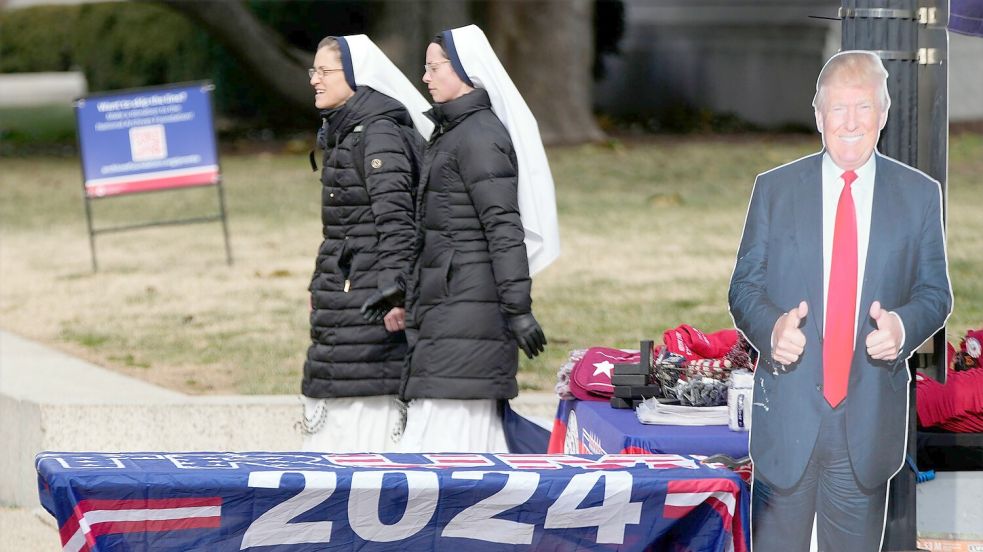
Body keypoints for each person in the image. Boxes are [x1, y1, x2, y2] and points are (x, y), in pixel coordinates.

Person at [729, 50, 951, 551]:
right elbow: (743, 287)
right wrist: (771, 330)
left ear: (884, 114)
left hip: (867, 422)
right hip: (786, 418)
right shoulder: (775, 190)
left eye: (864, 107)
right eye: (838, 109)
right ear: (818, 116)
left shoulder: (919, 195)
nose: (850, 122)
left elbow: (936, 293)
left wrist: (902, 328)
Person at [389, 25, 559, 452]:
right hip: (451, 303)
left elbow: (504, 228)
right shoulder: (453, 132)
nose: (425, 77)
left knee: (455, 432)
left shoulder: (479, 137)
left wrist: (518, 310)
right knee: (442, 424)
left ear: (466, 70)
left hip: (468, 305)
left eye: (433, 67)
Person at [299, 34, 432, 452]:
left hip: (372, 294)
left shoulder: (378, 134)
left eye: (325, 72)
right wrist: (317, 285)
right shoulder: (348, 131)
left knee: (365, 398)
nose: (314, 81)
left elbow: (396, 220)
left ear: (355, 77)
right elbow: (342, 228)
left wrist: (398, 293)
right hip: (348, 289)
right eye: (313, 71)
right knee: (343, 385)